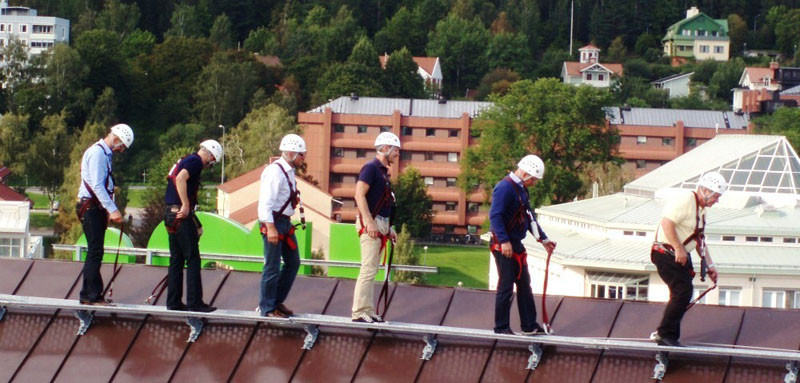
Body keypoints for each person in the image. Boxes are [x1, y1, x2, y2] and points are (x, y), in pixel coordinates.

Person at [651, 171, 725, 347]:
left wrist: (709, 265)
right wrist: (678, 248)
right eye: (716, 196)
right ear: (706, 191)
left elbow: (699, 241)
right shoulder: (685, 200)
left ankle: (670, 336)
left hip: (679, 254)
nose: (717, 201)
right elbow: (667, 223)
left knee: (682, 292)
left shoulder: (701, 212)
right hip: (666, 252)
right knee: (682, 291)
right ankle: (664, 334)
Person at [489, 155, 556, 335]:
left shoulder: (521, 190)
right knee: (506, 286)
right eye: (533, 179)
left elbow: (528, 217)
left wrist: (543, 239)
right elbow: (495, 216)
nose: (534, 183)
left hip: (515, 244)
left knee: (525, 284)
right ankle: (501, 328)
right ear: (525, 173)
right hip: (504, 245)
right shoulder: (505, 188)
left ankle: (529, 325)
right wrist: (504, 241)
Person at [76, 123, 134, 306]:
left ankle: (90, 294)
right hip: (91, 207)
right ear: (116, 139)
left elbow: (106, 184)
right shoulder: (98, 154)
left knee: (96, 251)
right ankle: (90, 295)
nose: (122, 150)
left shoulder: (104, 154)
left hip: (95, 207)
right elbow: (97, 186)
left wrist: (109, 208)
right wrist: (113, 209)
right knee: (95, 251)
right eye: (122, 146)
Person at [164, 140, 223, 312]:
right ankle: (194, 303)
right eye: (212, 162)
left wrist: (194, 221)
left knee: (176, 259)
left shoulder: (186, 159)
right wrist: (185, 205)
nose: (209, 165)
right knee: (193, 259)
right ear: (211, 156)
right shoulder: (196, 162)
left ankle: (173, 302)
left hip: (170, 213)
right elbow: (181, 178)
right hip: (181, 214)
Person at [350, 132, 401, 323]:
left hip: (381, 223)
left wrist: (389, 228)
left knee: (372, 270)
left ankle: (368, 309)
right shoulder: (370, 169)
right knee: (368, 269)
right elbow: (359, 195)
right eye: (396, 150)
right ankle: (359, 311)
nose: (397, 154)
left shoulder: (382, 172)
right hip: (371, 224)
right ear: (386, 148)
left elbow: (384, 203)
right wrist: (369, 222)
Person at [257, 134, 306, 318]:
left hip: (284, 223)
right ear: (292, 152)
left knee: (293, 262)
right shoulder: (275, 172)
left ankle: (276, 301)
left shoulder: (288, 172)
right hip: (274, 222)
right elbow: (265, 204)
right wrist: (270, 228)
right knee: (272, 265)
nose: (303, 158)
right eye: (301, 154)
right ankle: (267, 308)